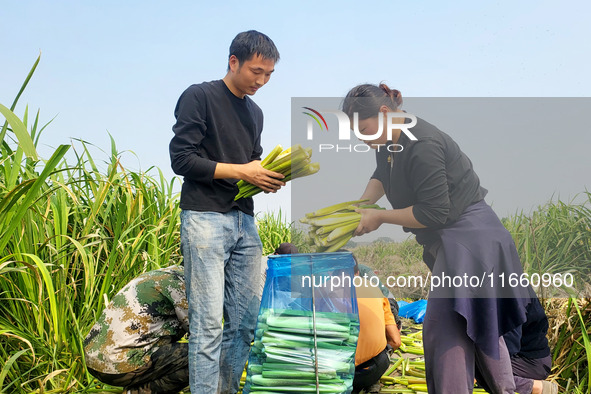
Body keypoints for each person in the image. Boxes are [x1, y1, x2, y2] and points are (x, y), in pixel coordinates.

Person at [342, 83, 532, 393]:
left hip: (472, 239)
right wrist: (364, 203)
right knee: (479, 322)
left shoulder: (423, 143)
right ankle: (519, 390)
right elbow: (381, 173)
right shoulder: (391, 140)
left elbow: (433, 213)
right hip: (456, 239)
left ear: (385, 113)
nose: (362, 138)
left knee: (444, 328)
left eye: (364, 129)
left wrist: (379, 217)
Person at [169, 31, 283, 394]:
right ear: (233, 62)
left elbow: (252, 161)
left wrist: (264, 177)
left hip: (244, 221)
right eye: (256, 71)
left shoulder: (255, 112)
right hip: (204, 218)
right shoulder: (199, 96)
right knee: (207, 325)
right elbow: (182, 159)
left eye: (268, 74)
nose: (261, 81)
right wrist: (243, 170)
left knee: (246, 322)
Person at [84, 266, 189, 394]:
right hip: (119, 365)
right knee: (201, 355)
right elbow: (202, 334)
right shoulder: (182, 284)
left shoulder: (167, 274)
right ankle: (139, 392)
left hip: (94, 359)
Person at [477, 297, 557, 394]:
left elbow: (509, 345)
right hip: (524, 354)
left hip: (528, 361)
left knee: (473, 367)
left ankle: (535, 387)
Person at [352, 257, 401, 394]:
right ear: (357, 272)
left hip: (332, 372)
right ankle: (372, 381)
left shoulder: (320, 293)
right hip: (370, 370)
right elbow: (396, 341)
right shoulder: (375, 290)